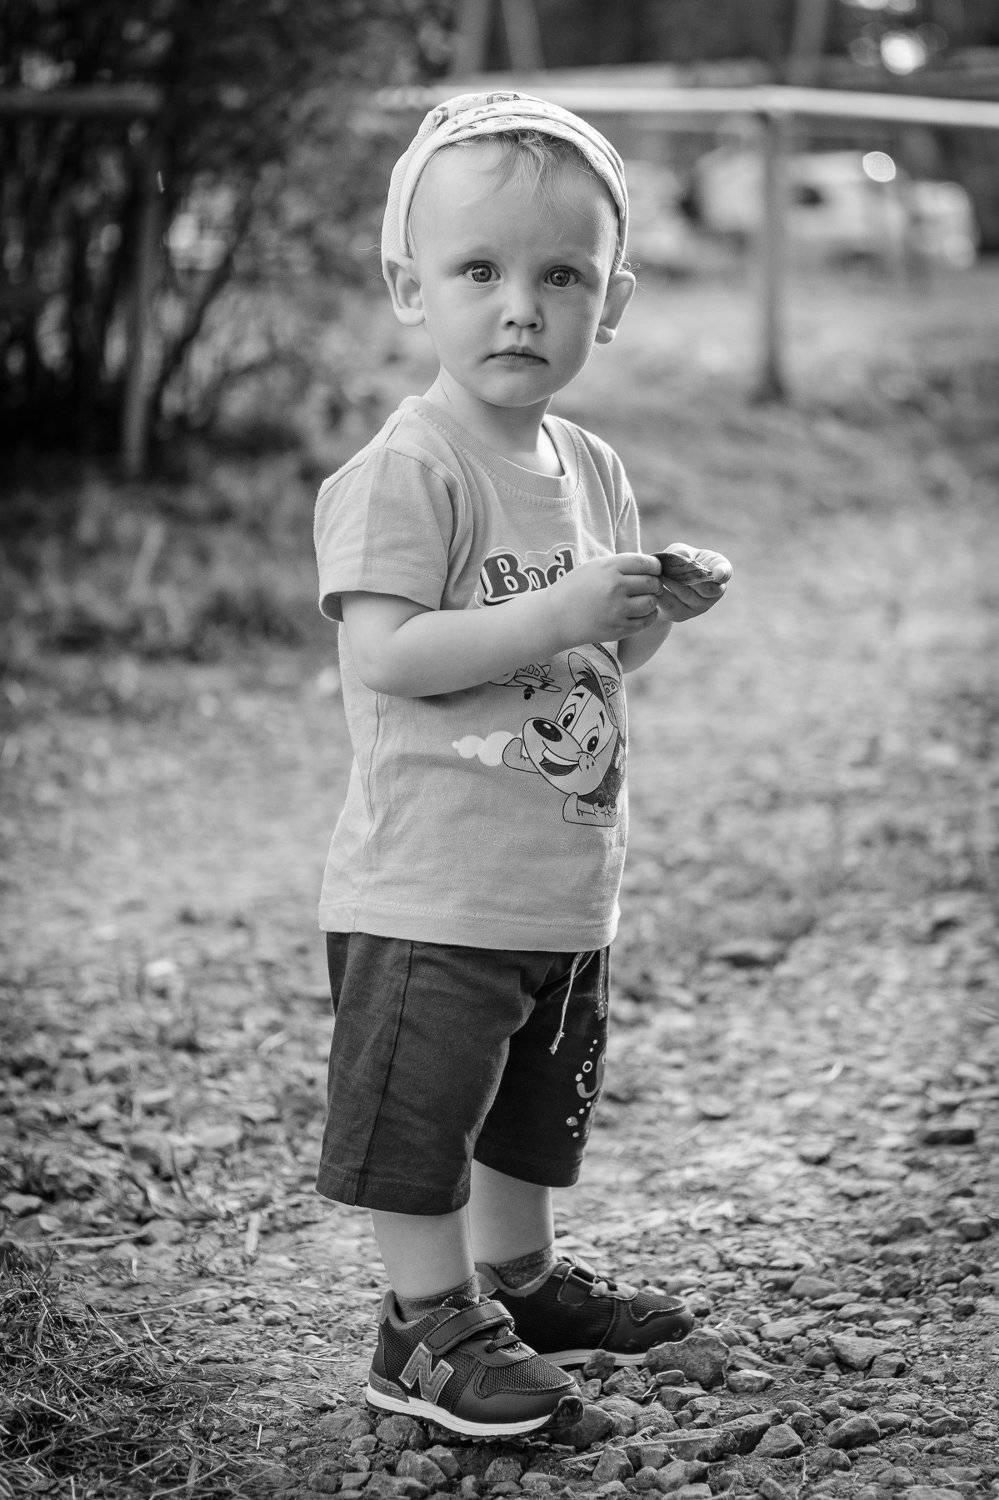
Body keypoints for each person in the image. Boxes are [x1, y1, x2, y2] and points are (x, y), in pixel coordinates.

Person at [312, 91, 732, 1440]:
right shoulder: (409, 468)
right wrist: (556, 611)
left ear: (611, 303)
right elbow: (389, 651)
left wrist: (647, 614)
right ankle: (422, 1326)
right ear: (410, 289)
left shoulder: (589, 465)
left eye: (560, 278)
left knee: (525, 1109)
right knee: (423, 1114)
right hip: (432, 885)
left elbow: (598, 660)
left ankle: (520, 1280)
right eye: (479, 271)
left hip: (554, 878)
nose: (519, 308)